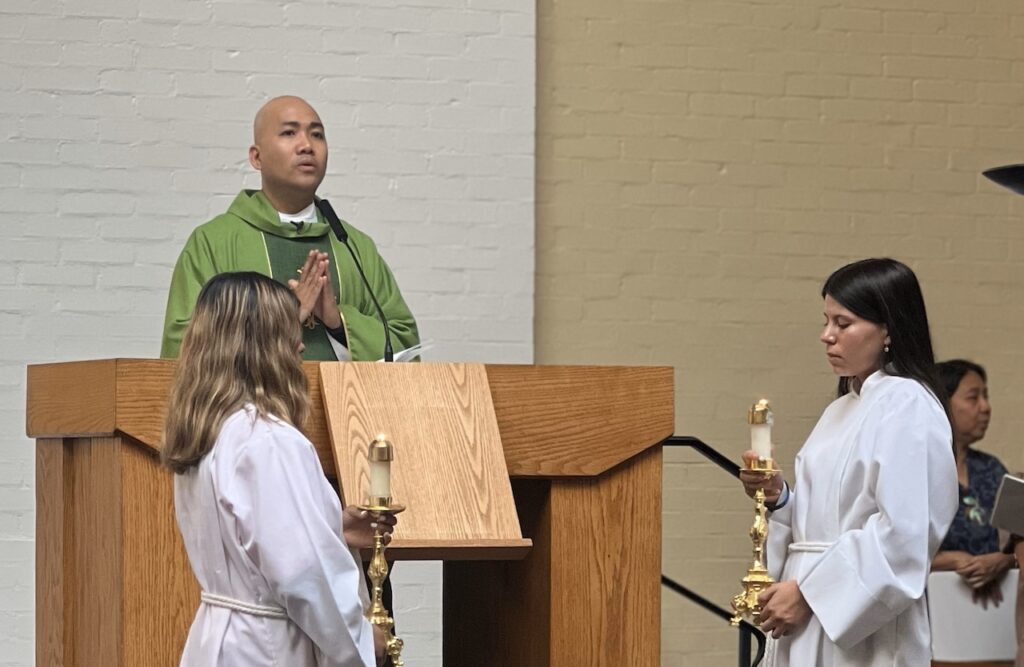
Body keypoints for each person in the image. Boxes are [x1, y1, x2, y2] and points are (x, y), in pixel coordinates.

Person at [162, 272, 396, 667]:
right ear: (263, 345)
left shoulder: (210, 432)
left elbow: (248, 542)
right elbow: (302, 574)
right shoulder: (269, 441)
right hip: (267, 647)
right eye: (290, 335)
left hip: (219, 640)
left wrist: (331, 528)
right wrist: (359, 636)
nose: (300, 345)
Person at [739, 258, 958, 666]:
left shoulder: (908, 404)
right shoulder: (840, 410)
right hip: (807, 607)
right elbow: (821, 522)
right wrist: (781, 498)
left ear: (889, 329)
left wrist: (809, 593)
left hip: (859, 626)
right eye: (826, 321)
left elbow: (904, 536)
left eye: (843, 323)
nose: (826, 336)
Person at [160, 95, 419, 362]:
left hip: (345, 403)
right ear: (257, 157)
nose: (307, 145)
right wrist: (286, 318)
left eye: (317, 135)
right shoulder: (213, 242)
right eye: (289, 133)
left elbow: (402, 345)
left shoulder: (353, 246)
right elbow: (185, 345)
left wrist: (338, 321)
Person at [931, 359, 1015, 608]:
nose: (986, 408)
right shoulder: (920, 472)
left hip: (998, 610)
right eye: (973, 398)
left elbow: (1018, 546)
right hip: (937, 612)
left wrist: (1002, 561)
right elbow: (892, 555)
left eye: (986, 397)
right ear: (943, 404)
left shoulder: (992, 469)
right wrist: (950, 560)